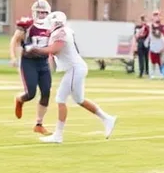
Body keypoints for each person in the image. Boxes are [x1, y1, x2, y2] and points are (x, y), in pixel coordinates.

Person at [35, 12, 116, 144]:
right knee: (79, 99)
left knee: (60, 98)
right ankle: (107, 118)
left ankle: (58, 135)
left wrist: (36, 50)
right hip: (76, 68)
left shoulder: (60, 32)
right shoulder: (64, 31)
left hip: (74, 68)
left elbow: (55, 49)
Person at [10, 0, 53, 134]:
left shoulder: (52, 26)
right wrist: (13, 57)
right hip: (29, 62)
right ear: (34, 13)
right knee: (31, 94)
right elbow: (14, 40)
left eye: (44, 13)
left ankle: (39, 124)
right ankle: (19, 99)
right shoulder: (27, 26)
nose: (41, 15)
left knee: (46, 92)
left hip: (43, 62)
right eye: (39, 12)